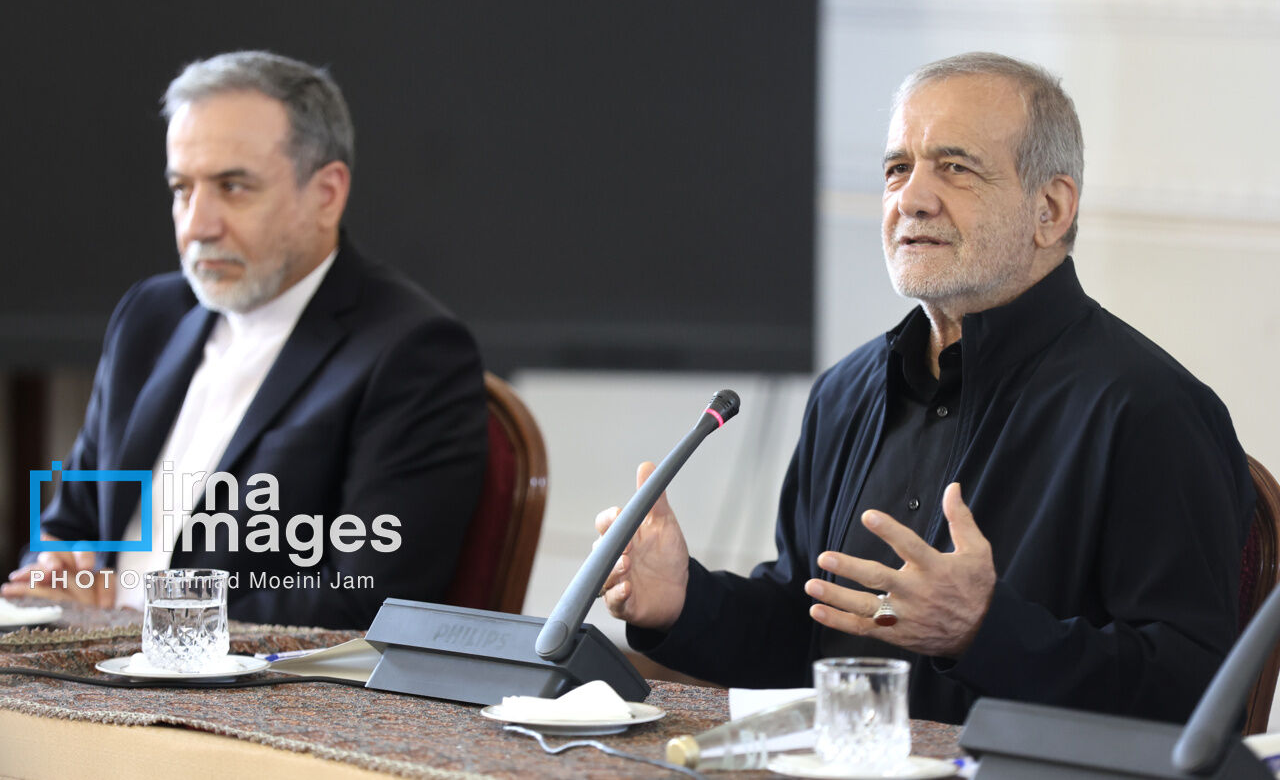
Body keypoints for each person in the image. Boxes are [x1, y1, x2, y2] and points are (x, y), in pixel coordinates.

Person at [595, 52, 1254, 725]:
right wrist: (682, 601)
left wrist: (984, 631)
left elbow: (1192, 693)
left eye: (955, 167)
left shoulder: (1150, 410)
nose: (910, 198)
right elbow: (810, 631)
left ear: (1050, 209)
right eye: (897, 168)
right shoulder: (845, 393)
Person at [2, 51, 488, 629]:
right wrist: (55, 573)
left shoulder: (412, 351)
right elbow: (69, 523)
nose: (197, 225)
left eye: (232, 187)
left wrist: (133, 616)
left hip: (249, 683)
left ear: (326, 194)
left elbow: (365, 600)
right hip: (83, 663)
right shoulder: (149, 317)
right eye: (182, 189)